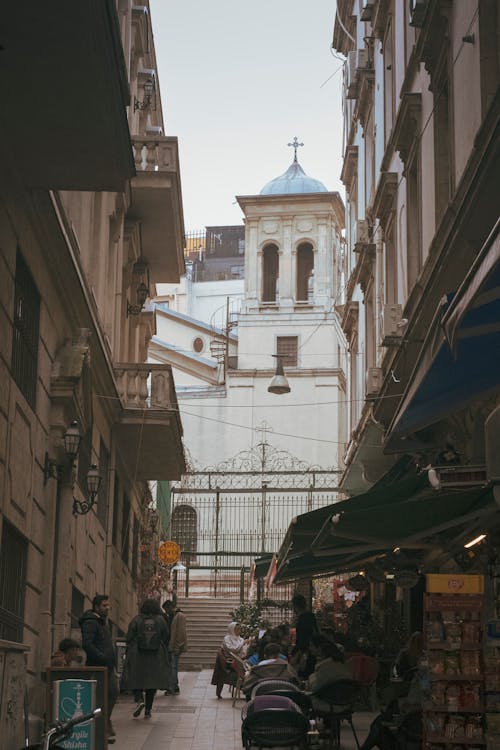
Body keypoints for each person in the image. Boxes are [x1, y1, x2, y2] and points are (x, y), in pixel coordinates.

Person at [121, 598, 170, 718]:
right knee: (152, 682)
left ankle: (139, 700)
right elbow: (166, 636)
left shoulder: (137, 619)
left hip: (137, 654)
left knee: (136, 678)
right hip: (156, 656)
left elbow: (129, 637)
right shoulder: (161, 620)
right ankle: (148, 711)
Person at [79, 594, 118, 744]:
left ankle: (105, 722)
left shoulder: (102, 622)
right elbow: (87, 644)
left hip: (107, 666)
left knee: (113, 692)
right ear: (96, 607)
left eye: (108, 606)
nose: (107, 608)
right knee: (103, 696)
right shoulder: (91, 622)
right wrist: (102, 657)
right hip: (98, 666)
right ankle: (102, 726)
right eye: (104, 606)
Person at [305, 638, 353, 713]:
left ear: (323, 654)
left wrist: (310, 679)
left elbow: (315, 688)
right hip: (346, 703)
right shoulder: (343, 666)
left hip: (329, 704)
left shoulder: (324, 667)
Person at [211, 621, 249, 699]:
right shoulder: (227, 638)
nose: (239, 631)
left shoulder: (240, 639)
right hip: (228, 661)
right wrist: (242, 643)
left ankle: (246, 684)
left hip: (239, 659)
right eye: (237, 630)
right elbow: (233, 649)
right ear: (232, 630)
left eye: (239, 629)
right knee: (243, 668)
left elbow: (242, 651)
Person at [291, 593, 319, 677]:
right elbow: (317, 632)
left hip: (305, 651)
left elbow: (302, 638)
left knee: (303, 673)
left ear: (295, 606)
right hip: (312, 648)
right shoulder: (311, 616)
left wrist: (298, 653)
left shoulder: (302, 619)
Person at [163, 600, 187, 695]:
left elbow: (181, 633)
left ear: (170, 607)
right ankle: (175, 687)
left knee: (173, 667)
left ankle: (171, 688)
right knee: (173, 666)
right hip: (172, 645)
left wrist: (177, 646)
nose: (166, 612)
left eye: (166, 610)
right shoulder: (173, 616)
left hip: (175, 646)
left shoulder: (179, 616)